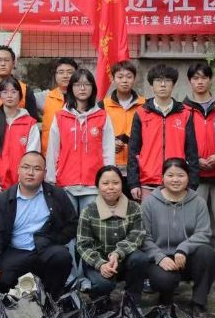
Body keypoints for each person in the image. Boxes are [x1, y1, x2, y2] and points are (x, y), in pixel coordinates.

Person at [0, 151, 79, 299]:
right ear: (18, 169)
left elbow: (72, 224)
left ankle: (51, 299)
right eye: (26, 167)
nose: (30, 173)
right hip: (16, 251)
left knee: (62, 257)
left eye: (37, 169)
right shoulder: (3, 199)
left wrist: (54, 240)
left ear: (44, 173)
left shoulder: (57, 195)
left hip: (45, 249)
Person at [142, 158, 215, 318]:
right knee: (164, 280)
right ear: (162, 178)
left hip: (187, 257)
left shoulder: (198, 202)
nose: (175, 180)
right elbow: (144, 237)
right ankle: (165, 299)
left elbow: (203, 233)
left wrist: (183, 249)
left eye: (180, 175)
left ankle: (199, 303)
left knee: (208, 254)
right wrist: (160, 257)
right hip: (160, 259)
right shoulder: (149, 203)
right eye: (170, 175)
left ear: (188, 177)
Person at [46, 68, 115, 212]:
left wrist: (108, 180)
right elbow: (53, 151)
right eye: (77, 84)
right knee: (67, 224)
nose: (82, 88)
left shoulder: (102, 116)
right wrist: (50, 180)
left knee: (89, 224)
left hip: (93, 185)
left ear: (93, 88)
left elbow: (108, 152)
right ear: (71, 88)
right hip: (65, 184)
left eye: (87, 84)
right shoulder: (60, 116)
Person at [76, 165, 146, 305]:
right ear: (97, 186)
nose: (111, 187)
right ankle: (100, 303)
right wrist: (101, 264)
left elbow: (136, 235)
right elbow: (83, 245)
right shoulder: (88, 211)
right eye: (105, 183)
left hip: (123, 259)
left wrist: (117, 253)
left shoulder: (134, 208)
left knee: (140, 258)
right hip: (97, 261)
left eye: (115, 183)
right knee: (103, 285)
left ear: (122, 184)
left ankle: (132, 302)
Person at [128, 64, 199, 201]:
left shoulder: (184, 113)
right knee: (149, 215)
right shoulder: (141, 113)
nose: (162, 85)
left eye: (167, 80)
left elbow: (192, 152)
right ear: (151, 85)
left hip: (177, 181)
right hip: (148, 182)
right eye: (158, 81)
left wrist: (192, 183)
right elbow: (133, 151)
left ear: (173, 85)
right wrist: (133, 183)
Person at [182, 63, 215, 271]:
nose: (200, 82)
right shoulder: (182, 109)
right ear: (189, 81)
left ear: (210, 80)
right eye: (195, 78)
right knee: (195, 222)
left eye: (204, 78)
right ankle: (196, 263)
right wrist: (194, 159)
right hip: (195, 174)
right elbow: (178, 141)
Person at [0, 75, 41, 201]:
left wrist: (23, 185)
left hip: (23, 191)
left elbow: (33, 157)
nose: (9, 96)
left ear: (20, 96)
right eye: (5, 92)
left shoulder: (30, 124)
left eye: (14, 92)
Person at [99, 60, 146, 195]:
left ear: (134, 79)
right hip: (112, 166)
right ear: (113, 79)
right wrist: (110, 143)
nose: (124, 81)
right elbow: (96, 134)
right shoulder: (103, 105)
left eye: (129, 77)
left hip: (138, 167)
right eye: (120, 77)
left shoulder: (145, 105)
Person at [41, 57, 78, 155]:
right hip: (50, 153)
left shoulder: (83, 98)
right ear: (55, 75)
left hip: (75, 153)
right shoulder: (46, 97)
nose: (65, 76)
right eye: (61, 72)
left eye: (70, 72)